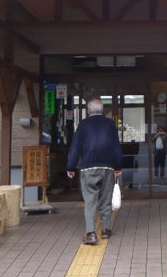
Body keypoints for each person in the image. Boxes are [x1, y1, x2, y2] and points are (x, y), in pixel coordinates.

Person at [67, 99, 122, 245]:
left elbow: (76, 147)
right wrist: (118, 167)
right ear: (102, 110)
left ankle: (91, 233)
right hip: (108, 167)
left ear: (89, 110)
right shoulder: (110, 124)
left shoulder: (84, 125)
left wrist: (71, 167)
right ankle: (106, 230)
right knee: (106, 199)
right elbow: (116, 146)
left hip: (88, 167)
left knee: (90, 201)